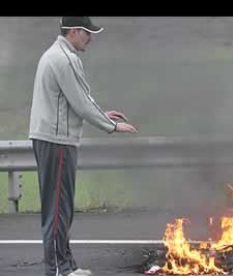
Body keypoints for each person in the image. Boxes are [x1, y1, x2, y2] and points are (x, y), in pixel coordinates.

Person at [28, 17, 138, 276]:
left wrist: (101, 113)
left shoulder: (57, 55)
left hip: (52, 139)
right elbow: (80, 101)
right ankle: (59, 269)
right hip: (57, 142)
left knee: (60, 207)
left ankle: (66, 266)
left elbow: (77, 98)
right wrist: (110, 126)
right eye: (88, 33)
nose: (91, 38)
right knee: (58, 209)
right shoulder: (65, 59)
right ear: (74, 31)